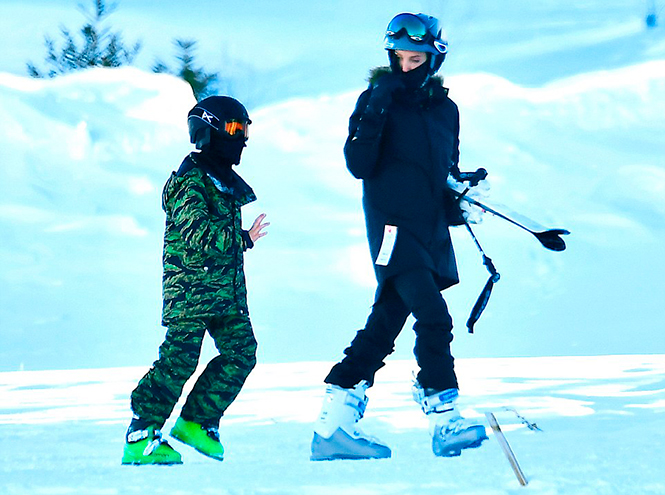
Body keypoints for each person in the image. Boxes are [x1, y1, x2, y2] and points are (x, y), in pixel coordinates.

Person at [311, 13, 488, 461]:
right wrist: (376, 108)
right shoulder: (377, 98)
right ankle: (444, 417)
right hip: (392, 229)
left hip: (428, 232)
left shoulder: (447, 110)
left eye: (417, 58)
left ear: (433, 59)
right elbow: (359, 164)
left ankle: (334, 427)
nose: (406, 66)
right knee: (434, 316)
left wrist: (460, 187)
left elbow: (441, 173)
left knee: (386, 323)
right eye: (399, 57)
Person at [122, 96, 269, 465]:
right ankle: (141, 433)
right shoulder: (190, 181)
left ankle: (196, 422)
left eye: (245, 129)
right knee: (179, 360)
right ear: (210, 130)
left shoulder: (223, 181)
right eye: (235, 129)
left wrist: (240, 241)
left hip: (223, 293)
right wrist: (243, 238)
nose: (242, 139)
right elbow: (197, 232)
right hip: (190, 291)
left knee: (241, 352)